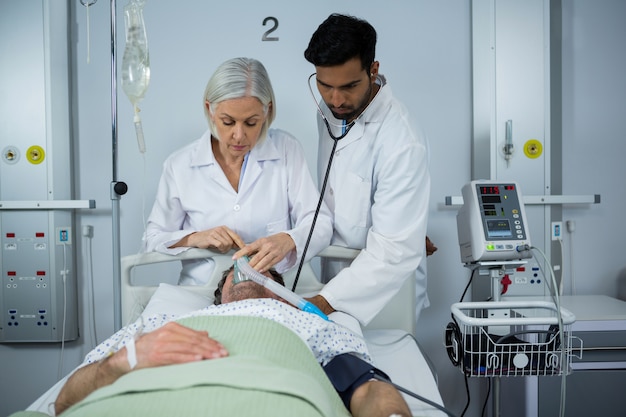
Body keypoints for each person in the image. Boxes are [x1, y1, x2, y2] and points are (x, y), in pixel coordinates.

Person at [54, 267, 411, 417]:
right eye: (234, 271)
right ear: (219, 294)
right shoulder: (160, 322)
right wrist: (121, 362)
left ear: (280, 293)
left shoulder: (306, 323)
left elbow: (366, 387)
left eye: (264, 271)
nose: (247, 270)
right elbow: (66, 400)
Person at [143, 57, 332, 285]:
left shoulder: (285, 149)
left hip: (272, 289)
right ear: (209, 110)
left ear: (267, 111)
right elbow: (152, 239)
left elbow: (319, 222)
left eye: (251, 123)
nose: (239, 135)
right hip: (200, 293)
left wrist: (288, 239)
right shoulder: (180, 165)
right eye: (228, 122)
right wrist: (195, 238)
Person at [303, 14, 432, 328]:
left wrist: (321, 303)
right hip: (336, 275)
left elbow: (394, 250)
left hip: (382, 295)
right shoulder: (332, 112)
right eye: (325, 85)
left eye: (349, 86)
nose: (335, 99)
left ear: (373, 71)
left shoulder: (401, 141)